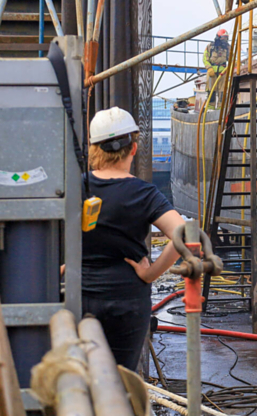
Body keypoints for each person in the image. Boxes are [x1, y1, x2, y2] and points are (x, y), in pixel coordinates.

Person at [83, 107, 186, 369]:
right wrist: (150, 274)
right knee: (121, 381)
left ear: (94, 148)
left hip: (77, 295)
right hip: (126, 300)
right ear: (133, 148)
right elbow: (182, 235)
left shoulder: (75, 186)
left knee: (76, 380)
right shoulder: (144, 193)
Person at [203, 29, 230, 107]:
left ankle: (221, 109)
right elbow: (205, 58)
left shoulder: (228, 48)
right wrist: (209, 68)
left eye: (226, 38)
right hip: (212, 73)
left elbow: (231, 59)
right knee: (211, 92)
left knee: (222, 92)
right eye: (223, 38)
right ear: (218, 37)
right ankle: (210, 108)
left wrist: (231, 68)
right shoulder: (210, 47)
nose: (225, 40)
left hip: (223, 73)